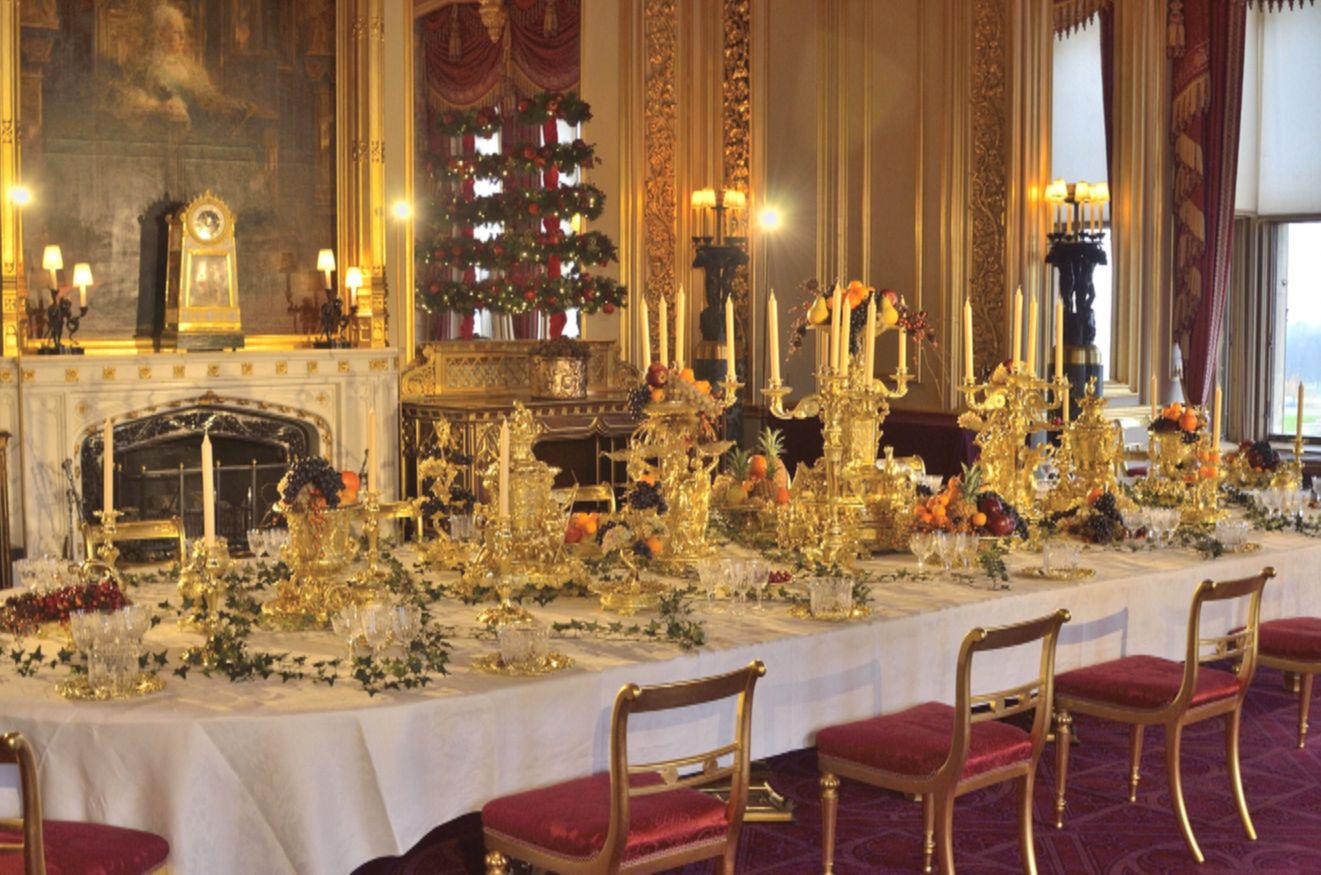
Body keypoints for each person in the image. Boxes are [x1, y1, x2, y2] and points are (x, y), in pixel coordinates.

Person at [109, 4, 265, 131]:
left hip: (204, 124)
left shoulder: (190, 66)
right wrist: (158, 107)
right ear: (160, 34)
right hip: (173, 128)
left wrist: (229, 105)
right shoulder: (145, 66)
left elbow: (207, 95)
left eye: (182, 32)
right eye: (176, 31)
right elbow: (132, 97)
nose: (182, 37)